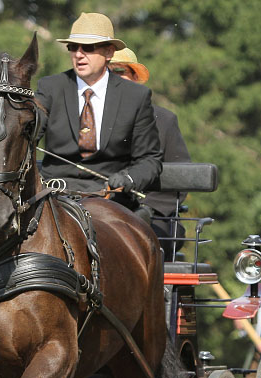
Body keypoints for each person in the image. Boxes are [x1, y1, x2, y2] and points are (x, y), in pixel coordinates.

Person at [35, 13, 163, 209]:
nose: (78, 54)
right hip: (54, 198)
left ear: (109, 52)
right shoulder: (50, 88)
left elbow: (150, 159)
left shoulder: (136, 96)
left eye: (87, 48)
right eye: (73, 47)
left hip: (113, 202)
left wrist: (129, 178)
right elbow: (26, 137)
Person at [107, 48, 191, 259]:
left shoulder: (164, 121)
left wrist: (148, 209)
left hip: (153, 216)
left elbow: (181, 178)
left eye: (118, 71)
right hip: (97, 210)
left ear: (135, 78)